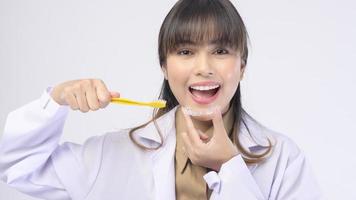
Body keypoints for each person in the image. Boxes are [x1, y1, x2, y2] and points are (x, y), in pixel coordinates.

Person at [0, 0, 322, 199]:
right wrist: (56, 100)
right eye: (185, 51)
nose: (203, 68)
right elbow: (16, 166)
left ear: (242, 65)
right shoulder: (114, 155)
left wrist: (230, 168)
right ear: (164, 67)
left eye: (221, 51)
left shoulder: (283, 161)